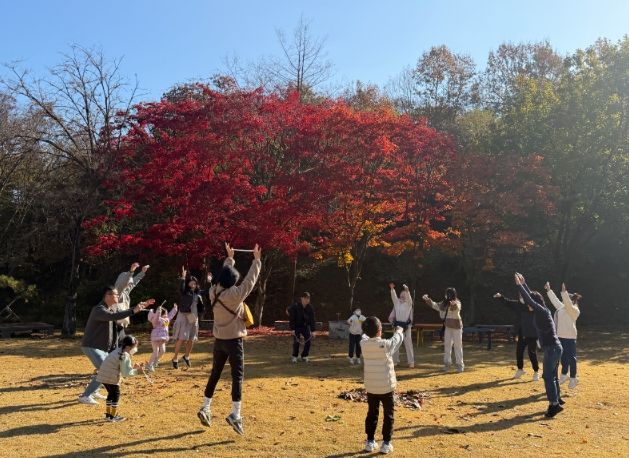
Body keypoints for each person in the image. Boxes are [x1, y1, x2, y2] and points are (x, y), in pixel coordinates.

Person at [197, 243, 261, 436]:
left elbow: (223, 275)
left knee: (215, 374)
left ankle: (205, 407)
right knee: (237, 377)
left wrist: (230, 259)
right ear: (232, 281)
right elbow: (249, 281)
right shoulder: (234, 295)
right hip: (234, 341)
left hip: (219, 341)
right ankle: (236, 414)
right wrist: (257, 261)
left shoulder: (213, 291)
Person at [78, 286, 150, 405]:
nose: (118, 296)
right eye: (115, 294)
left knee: (104, 370)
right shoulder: (99, 310)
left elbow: (116, 323)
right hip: (91, 346)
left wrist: (136, 307)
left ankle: (94, 391)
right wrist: (133, 311)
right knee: (105, 370)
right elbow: (113, 317)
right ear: (107, 296)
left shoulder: (110, 309)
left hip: (102, 348)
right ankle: (85, 396)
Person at [515, 273, 564, 418]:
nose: (527, 306)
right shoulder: (543, 310)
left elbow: (530, 299)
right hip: (554, 348)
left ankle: (554, 404)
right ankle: (557, 400)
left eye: (529, 304)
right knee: (552, 376)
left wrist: (519, 286)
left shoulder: (541, 311)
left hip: (552, 348)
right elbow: (532, 298)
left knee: (547, 377)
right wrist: (524, 283)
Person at [360, 317, 404, 454]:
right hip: (386, 387)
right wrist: (399, 330)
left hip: (371, 387)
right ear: (380, 330)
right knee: (388, 415)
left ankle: (370, 441)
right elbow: (397, 340)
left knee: (372, 414)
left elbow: (364, 335)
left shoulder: (363, 344)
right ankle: (386, 443)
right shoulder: (385, 345)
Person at [96, 334, 145, 422]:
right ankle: (112, 416)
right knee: (116, 395)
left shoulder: (118, 350)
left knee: (111, 394)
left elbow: (123, 367)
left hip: (103, 375)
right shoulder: (124, 355)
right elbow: (126, 373)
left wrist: (133, 368)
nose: (135, 348)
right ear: (129, 347)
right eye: (134, 346)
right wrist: (137, 371)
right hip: (111, 377)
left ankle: (108, 415)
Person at [493, 292, 539, 380]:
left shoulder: (532, 304)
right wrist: (501, 297)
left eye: (522, 294)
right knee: (519, 352)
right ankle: (520, 369)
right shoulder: (517, 304)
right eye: (519, 294)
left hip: (532, 334)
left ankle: (536, 372)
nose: (520, 296)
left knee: (531, 352)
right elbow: (507, 302)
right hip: (522, 333)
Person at [545, 282, 581, 389]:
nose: (563, 301)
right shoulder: (562, 308)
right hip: (560, 337)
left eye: (565, 300)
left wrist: (564, 292)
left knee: (571, 358)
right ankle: (564, 375)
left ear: (571, 301)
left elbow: (568, 304)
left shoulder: (575, 310)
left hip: (570, 337)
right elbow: (555, 300)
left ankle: (574, 378)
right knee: (563, 357)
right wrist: (549, 290)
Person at [171, 267, 208, 369]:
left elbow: (207, 291)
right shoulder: (185, 292)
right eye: (191, 283)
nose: (193, 285)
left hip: (193, 318)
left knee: (191, 339)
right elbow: (181, 288)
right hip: (184, 316)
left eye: (194, 283)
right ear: (187, 284)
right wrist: (183, 278)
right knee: (182, 338)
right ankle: (175, 358)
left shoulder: (197, 293)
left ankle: (186, 356)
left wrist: (209, 282)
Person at [422, 288, 464, 372]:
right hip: (448, 327)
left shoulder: (457, 302)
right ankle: (447, 364)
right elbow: (435, 305)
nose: (447, 295)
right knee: (447, 346)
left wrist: (453, 305)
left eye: (449, 294)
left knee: (458, 346)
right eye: (447, 293)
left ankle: (460, 365)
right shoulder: (443, 303)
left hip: (457, 327)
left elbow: (457, 309)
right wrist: (427, 299)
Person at [113, 263, 150, 346]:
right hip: (114, 325)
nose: (130, 284)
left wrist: (142, 272)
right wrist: (131, 271)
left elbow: (134, 282)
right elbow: (123, 283)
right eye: (128, 282)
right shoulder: (117, 291)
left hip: (120, 324)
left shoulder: (126, 291)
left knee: (121, 345)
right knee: (117, 346)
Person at [388, 283, 415, 368]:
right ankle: (395, 361)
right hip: (397, 326)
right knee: (395, 343)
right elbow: (394, 297)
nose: (402, 296)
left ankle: (411, 362)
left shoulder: (408, 304)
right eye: (401, 294)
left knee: (408, 344)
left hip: (406, 327)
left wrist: (407, 291)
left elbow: (409, 299)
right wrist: (392, 289)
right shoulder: (397, 303)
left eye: (404, 294)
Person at [147, 303, 178, 372]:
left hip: (162, 339)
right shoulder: (156, 319)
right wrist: (159, 311)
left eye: (167, 313)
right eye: (165, 313)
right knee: (156, 352)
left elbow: (171, 315)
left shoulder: (167, 319)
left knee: (163, 351)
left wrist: (175, 309)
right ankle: (149, 365)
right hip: (155, 338)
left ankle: (155, 361)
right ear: (161, 314)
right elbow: (157, 317)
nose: (167, 314)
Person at [288, 292, 316, 363]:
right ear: (301, 298)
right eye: (305, 298)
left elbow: (312, 320)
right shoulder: (295, 306)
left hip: (305, 327)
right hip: (296, 327)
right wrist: (292, 329)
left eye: (308, 299)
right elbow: (292, 318)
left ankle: (304, 356)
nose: (307, 300)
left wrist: (313, 331)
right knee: (296, 341)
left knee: (308, 341)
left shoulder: (310, 308)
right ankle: (295, 356)